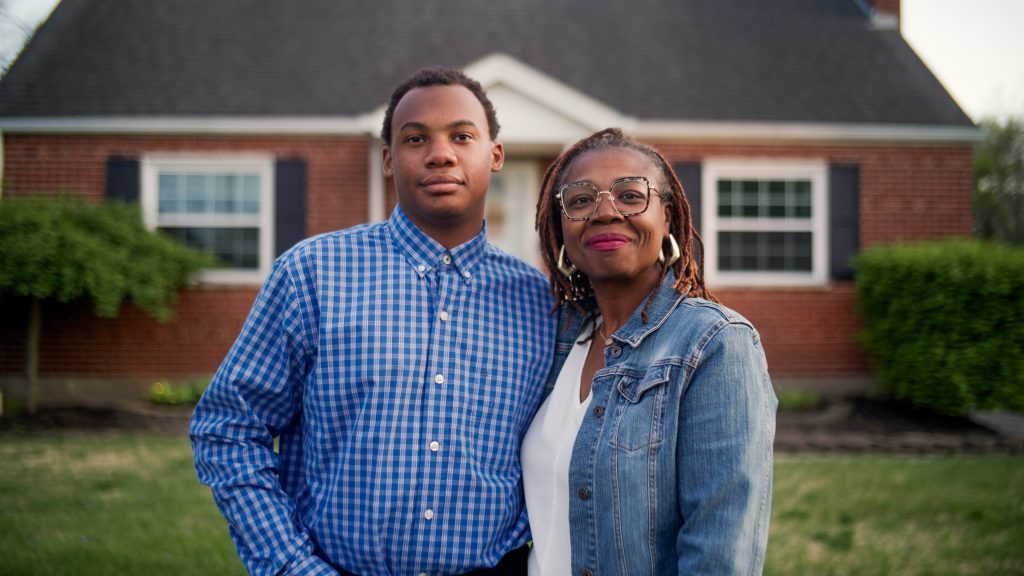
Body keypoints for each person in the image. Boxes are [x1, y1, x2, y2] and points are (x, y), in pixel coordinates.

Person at [190, 67, 556, 576]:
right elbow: (229, 427)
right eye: (415, 138)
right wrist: (293, 567)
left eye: (462, 136)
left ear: (495, 155)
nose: (441, 153)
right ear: (389, 159)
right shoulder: (314, 274)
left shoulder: (541, 304)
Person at [521, 128, 777, 575]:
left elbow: (720, 556)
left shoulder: (715, 344)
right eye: (580, 200)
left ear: (667, 214)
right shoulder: (558, 339)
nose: (604, 212)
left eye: (630, 194)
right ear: (560, 227)